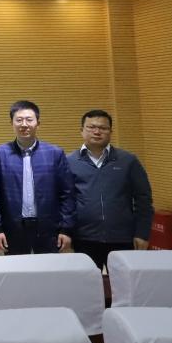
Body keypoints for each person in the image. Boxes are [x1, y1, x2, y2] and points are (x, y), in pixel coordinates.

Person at [68, 109, 154, 269]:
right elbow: (64, 201)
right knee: (87, 282)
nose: (97, 132)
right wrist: (66, 233)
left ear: (110, 132)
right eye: (91, 127)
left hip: (122, 238)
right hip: (83, 238)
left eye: (103, 128)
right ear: (81, 131)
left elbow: (144, 199)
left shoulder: (128, 161)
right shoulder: (69, 162)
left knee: (124, 282)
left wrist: (142, 233)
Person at [0, 100, 75, 255]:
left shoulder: (54, 153)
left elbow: (67, 194)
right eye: (19, 120)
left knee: (48, 268)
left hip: (49, 228)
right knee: (15, 268)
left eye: (29, 120)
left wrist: (66, 229)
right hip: (11, 229)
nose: (24, 124)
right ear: (11, 123)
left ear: (38, 123)